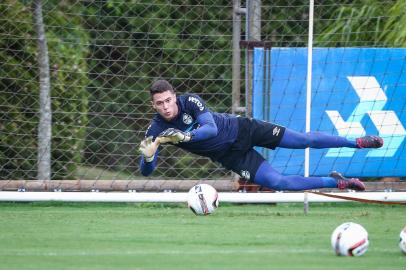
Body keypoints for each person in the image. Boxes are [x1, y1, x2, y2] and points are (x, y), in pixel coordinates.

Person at [139, 79, 384, 191]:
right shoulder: (156, 130)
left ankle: (356, 143)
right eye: (159, 103)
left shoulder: (190, 101)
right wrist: (149, 158)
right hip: (231, 156)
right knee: (279, 183)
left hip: (244, 129)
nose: (166, 106)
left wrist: (186, 138)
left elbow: (211, 129)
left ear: (174, 96)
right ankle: (338, 181)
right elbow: (146, 172)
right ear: (153, 106)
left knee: (303, 140)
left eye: (168, 100)